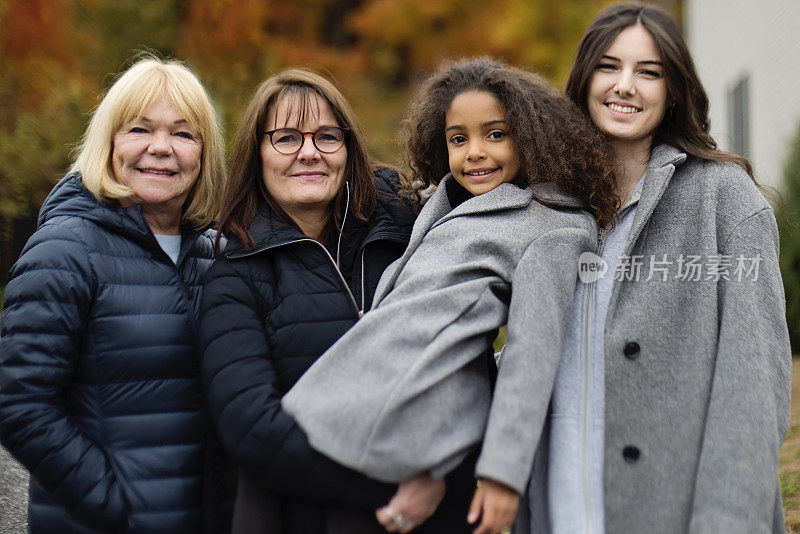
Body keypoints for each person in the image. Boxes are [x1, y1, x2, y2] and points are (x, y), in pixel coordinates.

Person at [281, 58, 619, 534]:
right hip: (363, 386)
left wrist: (502, 473)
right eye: (458, 139)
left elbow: (532, 353)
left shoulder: (555, 226)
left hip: (411, 409)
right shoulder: (443, 203)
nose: (475, 153)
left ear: (532, 137)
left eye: (496, 135)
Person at [518, 3, 792, 533]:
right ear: (583, 77)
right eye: (609, 66)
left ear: (674, 91)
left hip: (682, 513)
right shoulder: (542, 203)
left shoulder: (726, 202)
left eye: (649, 72)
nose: (626, 86)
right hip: (561, 504)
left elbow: (752, 393)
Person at [198, 69, 472, 534]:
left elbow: (465, 360)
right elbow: (253, 429)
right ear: (257, 154)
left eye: (326, 136)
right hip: (307, 516)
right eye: (286, 138)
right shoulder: (235, 277)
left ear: (348, 149)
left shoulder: (407, 238)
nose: (309, 152)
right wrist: (393, 488)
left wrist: (442, 474)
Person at [0, 56, 228, 533]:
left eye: (184, 134)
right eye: (139, 130)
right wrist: (113, 504)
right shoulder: (65, 249)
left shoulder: (217, 254)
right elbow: (20, 403)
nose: (161, 148)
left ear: (205, 153)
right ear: (108, 142)